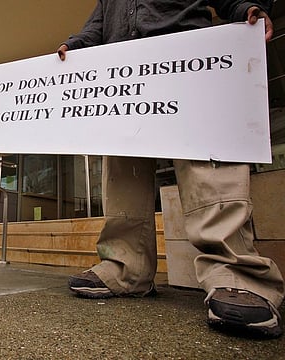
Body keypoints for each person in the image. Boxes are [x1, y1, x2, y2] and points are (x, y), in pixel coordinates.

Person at [57, 1, 284, 338]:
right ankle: (125, 267)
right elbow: (98, 25)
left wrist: (242, 7)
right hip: (124, 68)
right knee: (123, 173)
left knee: (207, 165)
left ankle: (235, 274)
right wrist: (75, 46)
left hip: (189, 57)